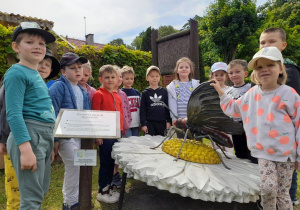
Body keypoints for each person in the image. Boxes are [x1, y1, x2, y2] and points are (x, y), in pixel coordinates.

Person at [211, 46, 300, 210]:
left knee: (282, 193)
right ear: (254, 72)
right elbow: (233, 108)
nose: (264, 70)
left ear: (281, 68)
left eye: (270, 65)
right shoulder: (252, 94)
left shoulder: (290, 94)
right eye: (259, 67)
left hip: (287, 154)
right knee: (267, 189)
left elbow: (299, 124)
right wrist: (219, 90)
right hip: (264, 152)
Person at [3, 22, 56, 209]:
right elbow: (14, 114)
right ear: (16, 47)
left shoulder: (35, 74)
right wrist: (25, 150)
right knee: (31, 200)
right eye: (30, 42)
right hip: (29, 135)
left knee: (40, 192)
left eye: (42, 44)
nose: (37, 46)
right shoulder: (16, 73)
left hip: (43, 137)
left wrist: (49, 145)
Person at [260, 27, 300, 206]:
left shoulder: (289, 69)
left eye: (271, 41)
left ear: (283, 45)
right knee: (269, 181)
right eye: (262, 42)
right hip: (266, 136)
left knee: (285, 181)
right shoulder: (261, 66)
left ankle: (289, 198)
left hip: (285, 138)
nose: (266, 45)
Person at [49, 52, 90, 210]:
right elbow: (51, 112)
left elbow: (86, 117)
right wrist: (55, 140)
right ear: (63, 72)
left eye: (80, 67)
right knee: (75, 163)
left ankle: (80, 197)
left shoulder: (83, 91)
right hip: (65, 136)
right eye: (73, 68)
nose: (78, 71)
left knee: (83, 164)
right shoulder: (58, 87)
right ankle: (69, 202)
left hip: (81, 137)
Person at [92, 65, 123, 203]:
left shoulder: (117, 95)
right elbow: (95, 115)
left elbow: (120, 115)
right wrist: (98, 134)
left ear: (117, 78)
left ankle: (110, 187)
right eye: (107, 77)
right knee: (105, 163)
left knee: (113, 161)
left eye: (112, 77)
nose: (110, 80)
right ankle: (102, 190)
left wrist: (121, 131)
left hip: (116, 134)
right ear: (101, 79)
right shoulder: (98, 94)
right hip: (105, 136)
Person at [226, 59, 257, 163]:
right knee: (239, 153)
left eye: (237, 71)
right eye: (231, 73)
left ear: (246, 73)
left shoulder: (251, 88)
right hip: (235, 124)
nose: (234, 75)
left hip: (249, 124)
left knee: (252, 153)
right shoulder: (228, 91)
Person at [166, 57, 199, 138]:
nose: (184, 69)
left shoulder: (195, 85)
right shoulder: (172, 86)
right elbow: (172, 103)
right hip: (179, 120)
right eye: (181, 67)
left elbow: (198, 102)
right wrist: (174, 118)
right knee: (182, 143)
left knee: (196, 143)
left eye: (186, 67)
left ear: (190, 70)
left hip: (193, 120)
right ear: (177, 70)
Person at [111, 65, 131, 188]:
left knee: (119, 152)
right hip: (111, 130)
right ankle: (113, 175)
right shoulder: (107, 93)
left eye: (119, 77)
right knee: (112, 154)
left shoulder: (122, 94)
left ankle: (117, 174)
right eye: (116, 76)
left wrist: (127, 123)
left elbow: (127, 110)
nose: (118, 79)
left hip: (122, 128)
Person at [140, 66, 171, 136]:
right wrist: (143, 124)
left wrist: (168, 121)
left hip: (162, 123)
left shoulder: (164, 91)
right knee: (150, 143)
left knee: (161, 142)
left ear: (160, 77)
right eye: (152, 76)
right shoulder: (145, 93)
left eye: (157, 76)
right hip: (149, 123)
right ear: (147, 78)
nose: (155, 78)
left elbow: (167, 108)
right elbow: (142, 110)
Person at [121, 66, 140, 137]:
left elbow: (140, 108)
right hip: (126, 125)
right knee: (128, 144)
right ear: (122, 78)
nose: (129, 81)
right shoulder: (120, 93)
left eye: (131, 79)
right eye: (127, 79)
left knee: (136, 143)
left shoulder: (137, 92)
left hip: (136, 123)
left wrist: (141, 122)